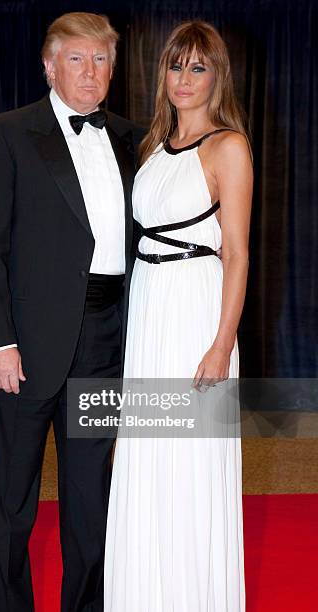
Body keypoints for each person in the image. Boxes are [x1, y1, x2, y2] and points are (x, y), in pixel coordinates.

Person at [0, 12, 144, 612]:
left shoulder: (130, 137)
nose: (90, 72)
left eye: (100, 60)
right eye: (76, 58)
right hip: (25, 344)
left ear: (112, 70)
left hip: (103, 343)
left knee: (91, 500)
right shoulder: (8, 133)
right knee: (10, 502)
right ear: (49, 65)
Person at [104, 20, 253, 611]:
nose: (184, 78)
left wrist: (222, 345)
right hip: (149, 308)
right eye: (176, 65)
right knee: (146, 452)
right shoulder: (150, 147)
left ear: (217, 76)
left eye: (198, 67)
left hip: (196, 313)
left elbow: (236, 252)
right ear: (161, 73)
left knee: (190, 459)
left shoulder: (228, 147)